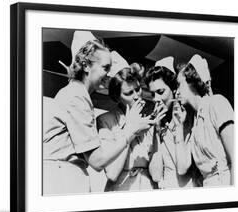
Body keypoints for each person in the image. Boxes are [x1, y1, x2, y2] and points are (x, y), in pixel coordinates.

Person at [43, 31, 154, 195]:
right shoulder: (77, 96)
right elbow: (97, 160)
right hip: (63, 178)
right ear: (86, 66)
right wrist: (130, 130)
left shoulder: (77, 93)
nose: (110, 74)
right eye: (105, 68)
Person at [97, 51, 166, 191]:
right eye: (128, 93)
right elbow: (112, 173)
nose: (136, 96)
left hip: (147, 188)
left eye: (138, 89)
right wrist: (131, 130)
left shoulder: (149, 118)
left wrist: (156, 132)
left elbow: (157, 175)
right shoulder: (105, 121)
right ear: (116, 97)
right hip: (121, 189)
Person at [174, 54, 234, 187]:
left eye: (179, 85)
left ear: (192, 82)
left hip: (225, 183)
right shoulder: (195, 122)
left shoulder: (217, 103)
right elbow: (182, 168)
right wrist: (179, 126)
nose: (176, 92)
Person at [145, 56, 198, 189]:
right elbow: (156, 175)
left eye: (160, 92)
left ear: (174, 89)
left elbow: (182, 168)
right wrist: (156, 133)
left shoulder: (190, 119)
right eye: (152, 94)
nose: (155, 99)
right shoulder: (156, 124)